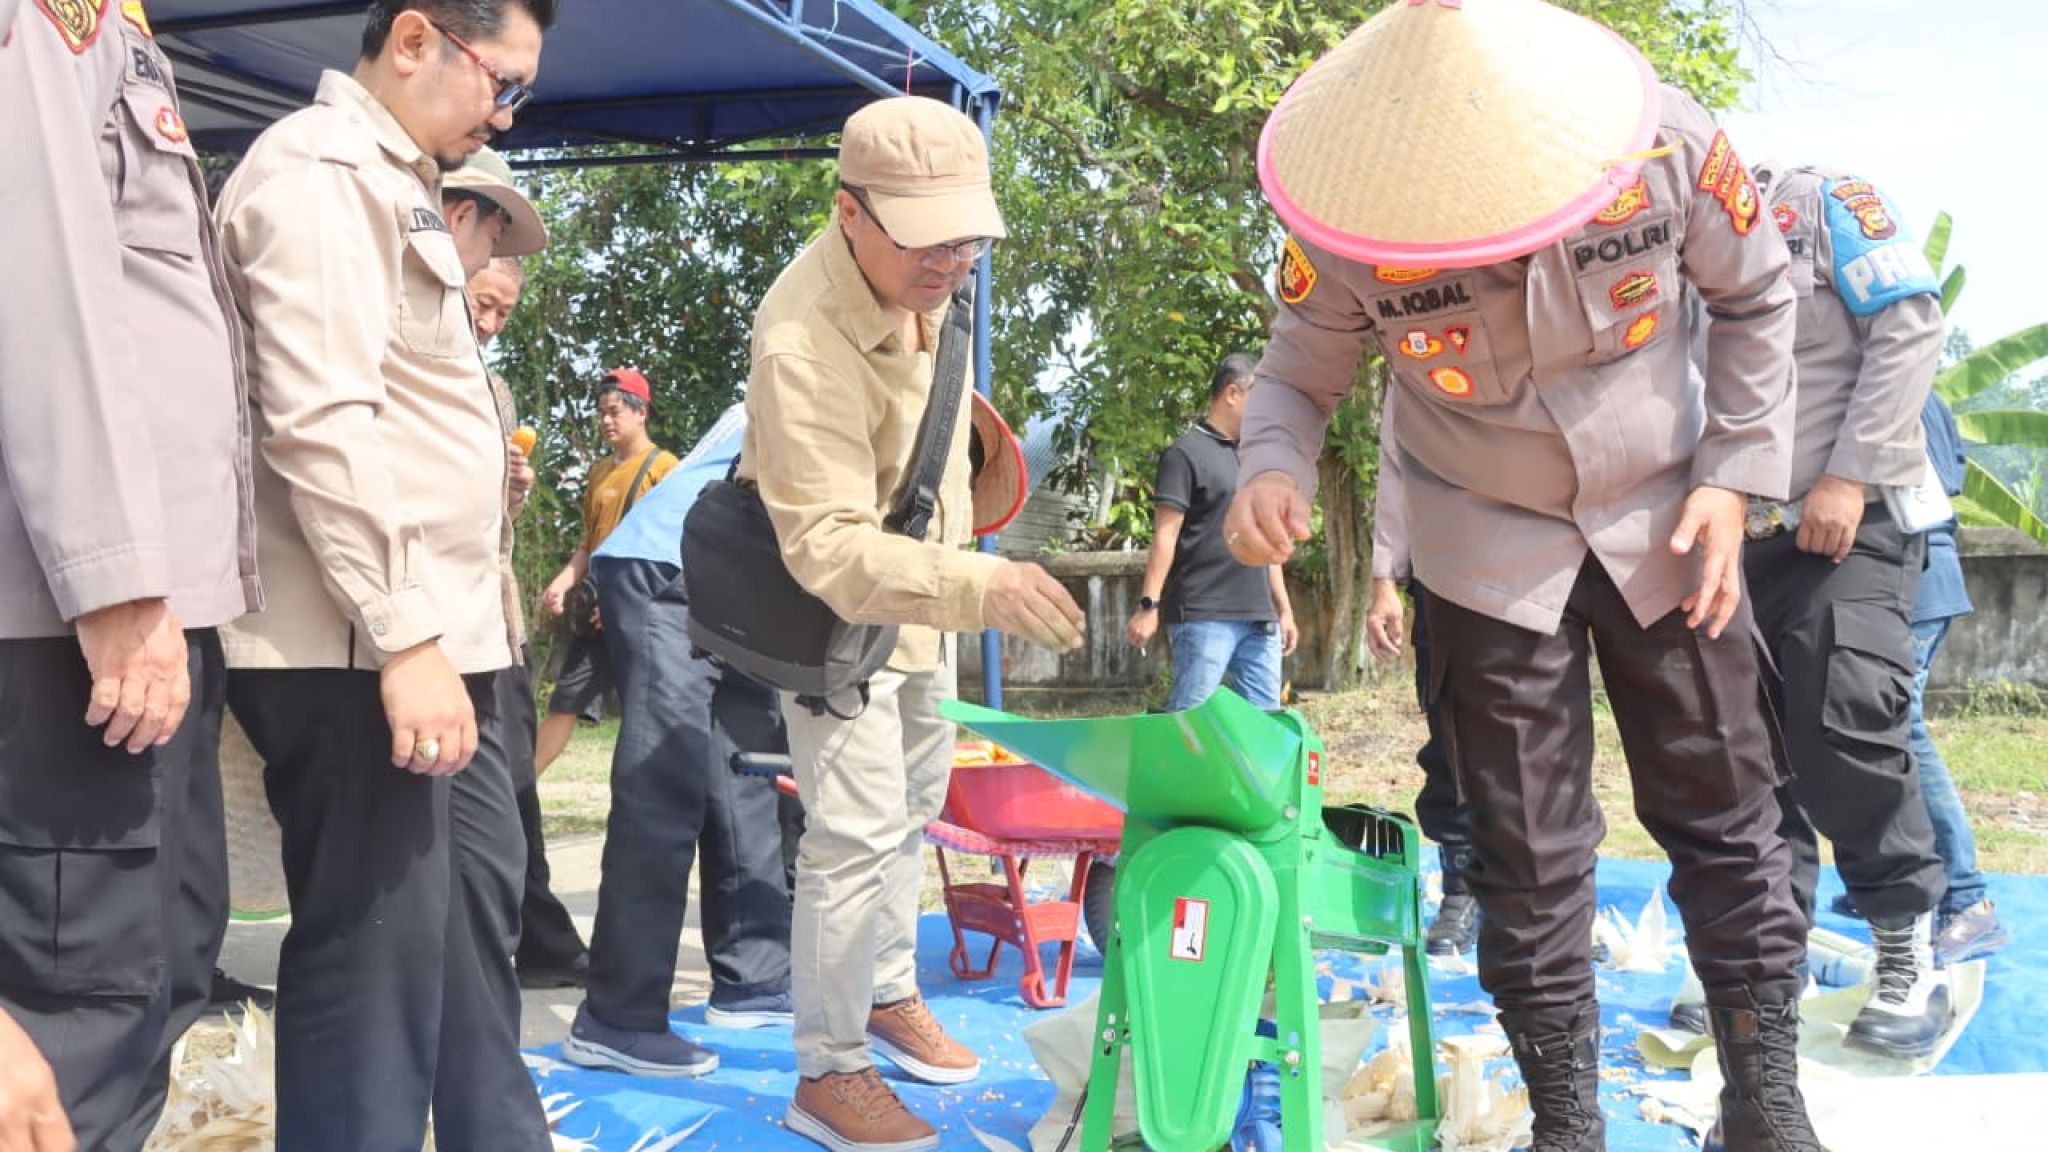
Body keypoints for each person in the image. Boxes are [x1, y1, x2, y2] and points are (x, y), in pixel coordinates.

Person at [1227, 3, 1817, 1149]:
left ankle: (1762, 1100)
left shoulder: (1660, 141)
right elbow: (1296, 373)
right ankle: (1564, 1120)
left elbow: (1753, 296)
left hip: (1668, 521)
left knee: (1728, 814)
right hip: (1480, 546)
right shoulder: (1347, 207)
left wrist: (1733, 476)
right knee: (1525, 846)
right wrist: (1269, 468)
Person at [210, 4, 557, 1150]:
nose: (504, 117)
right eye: (502, 83)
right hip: (361, 643)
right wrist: (406, 637)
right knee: (374, 968)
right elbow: (320, 423)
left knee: (466, 935)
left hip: (441, 639)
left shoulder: (395, 181)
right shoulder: (318, 176)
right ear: (415, 40)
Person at [741, 94, 1085, 1152]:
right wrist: (982, 587)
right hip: (832, 618)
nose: (951, 261)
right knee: (848, 834)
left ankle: (888, 991)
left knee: (911, 809)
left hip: (927, 604)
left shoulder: (941, 286)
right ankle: (827, 1068)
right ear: (849, 212)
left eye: (967, 237)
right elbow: (827, 548)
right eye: (927, 239)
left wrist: (966, 563)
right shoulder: (799, 339)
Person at [2, 2, 259, 1147]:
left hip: (137, 611)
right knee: (81, 1029)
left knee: (154, 982)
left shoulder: (120, 25)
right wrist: (112, 576)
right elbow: (40, 270)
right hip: (78, 622)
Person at [562, 403, 803, 1078]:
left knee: (747, 771)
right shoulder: (823, 381)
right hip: (664, 569)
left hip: (734, 582)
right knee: (664, 782)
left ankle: (755, 979)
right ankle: (616, 1018)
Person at [445, 152, 593, 987]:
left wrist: (512, 489)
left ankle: (534, 941)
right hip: (438, 621)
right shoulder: (414, 366)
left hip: (494, 616)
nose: (493, 324)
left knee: (510, 790)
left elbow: (490, 519)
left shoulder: (494, 391)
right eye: (484, 304)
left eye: (504, 311)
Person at [1829, 394, 2008, 964]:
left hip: (1910, 575)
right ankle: (1895, 881)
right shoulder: (1914, 391)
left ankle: (1966, 900)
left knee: (1899, 731)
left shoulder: (1888, 387)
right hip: (1911, 574)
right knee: (1870, 733)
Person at [1126, 352, 1299, 710]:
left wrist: (1284, 609)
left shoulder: (1257, 460)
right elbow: (1165, 536)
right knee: (1193, 722)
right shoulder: (1184, 454)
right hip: (1204, 615)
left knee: (1265, 725)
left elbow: (1268, 542)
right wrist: (1148, 605)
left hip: (1259, 618)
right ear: (1232, 394)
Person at [1365, 412, 1479, 956]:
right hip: (1444, 578)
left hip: (1544, 576)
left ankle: (1554, 898)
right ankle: (1462, 889)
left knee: (1549, 747)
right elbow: (1395, 470)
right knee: (1452, 741)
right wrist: (1384, 580)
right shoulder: (1417, 371)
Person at [534, 368, 678, 776]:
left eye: (615, 411)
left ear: (641, 412)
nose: (606, 421)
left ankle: (648, 797)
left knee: (647, 712)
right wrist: (562, 584)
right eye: (601, 413)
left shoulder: (666, 468)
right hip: (596, 607)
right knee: (564, 703)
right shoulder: (599, 472)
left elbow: (674, 550)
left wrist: (626, 601)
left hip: (642, 610)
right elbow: (589, 543)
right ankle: (518, 793)